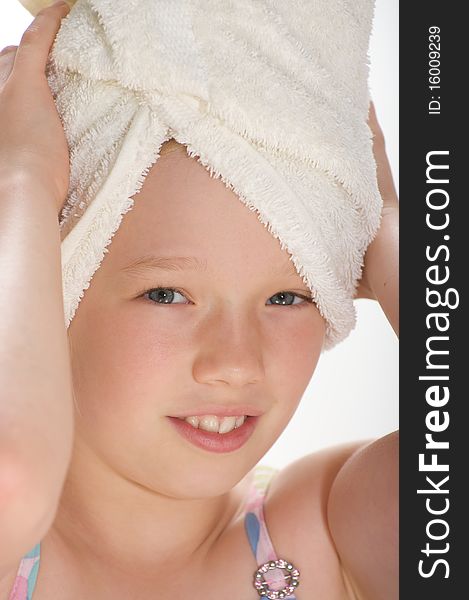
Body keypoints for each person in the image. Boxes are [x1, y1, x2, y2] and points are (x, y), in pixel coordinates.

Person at [0, 2, 398, 599]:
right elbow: (14, 477)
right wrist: (23, 179)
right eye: (167, 295)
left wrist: (385, 222)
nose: (238, 362)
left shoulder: (329, 534)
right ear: (52, 280)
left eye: (289, 296)